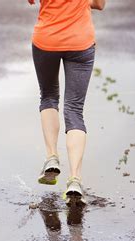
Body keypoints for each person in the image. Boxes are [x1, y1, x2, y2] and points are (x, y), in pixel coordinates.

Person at [28, 0, 105, 205]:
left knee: (49, 97)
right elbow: (99, 4)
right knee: (74, 110)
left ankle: (52, 157)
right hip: (80, 41)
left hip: (47, 40)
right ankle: (75, 180)